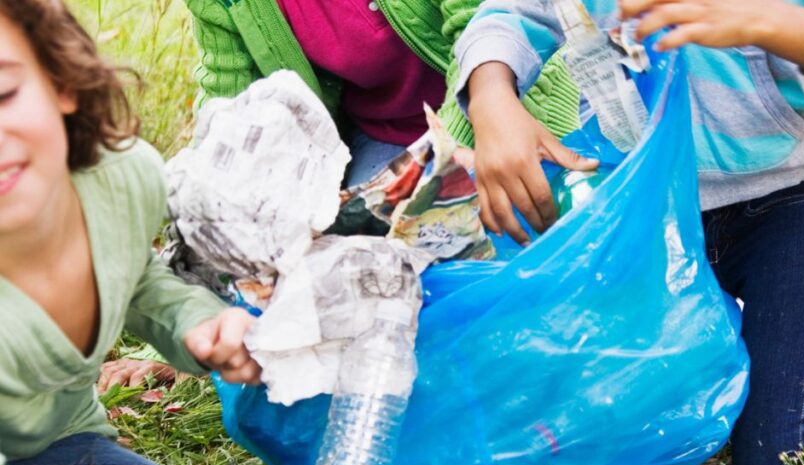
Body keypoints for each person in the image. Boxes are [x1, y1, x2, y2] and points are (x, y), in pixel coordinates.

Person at [457, 0, 804, 465]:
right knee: (600, 433)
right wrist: (491, 95)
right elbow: (513, 13)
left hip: (800, 194)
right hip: (653, 202)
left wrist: (762, 19)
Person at [99, 0, 595, 388]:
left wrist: (446, 168)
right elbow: (236, 112)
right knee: (354, 279)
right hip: (385, 145)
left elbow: (488, 21)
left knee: (528, 262)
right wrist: (200, 318)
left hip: (509, 102)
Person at [0, 0, 261, 465]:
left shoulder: (121, 179)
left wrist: (196, 322)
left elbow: (134, 273)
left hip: (57, 449)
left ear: (61, 83)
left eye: (3, 94)